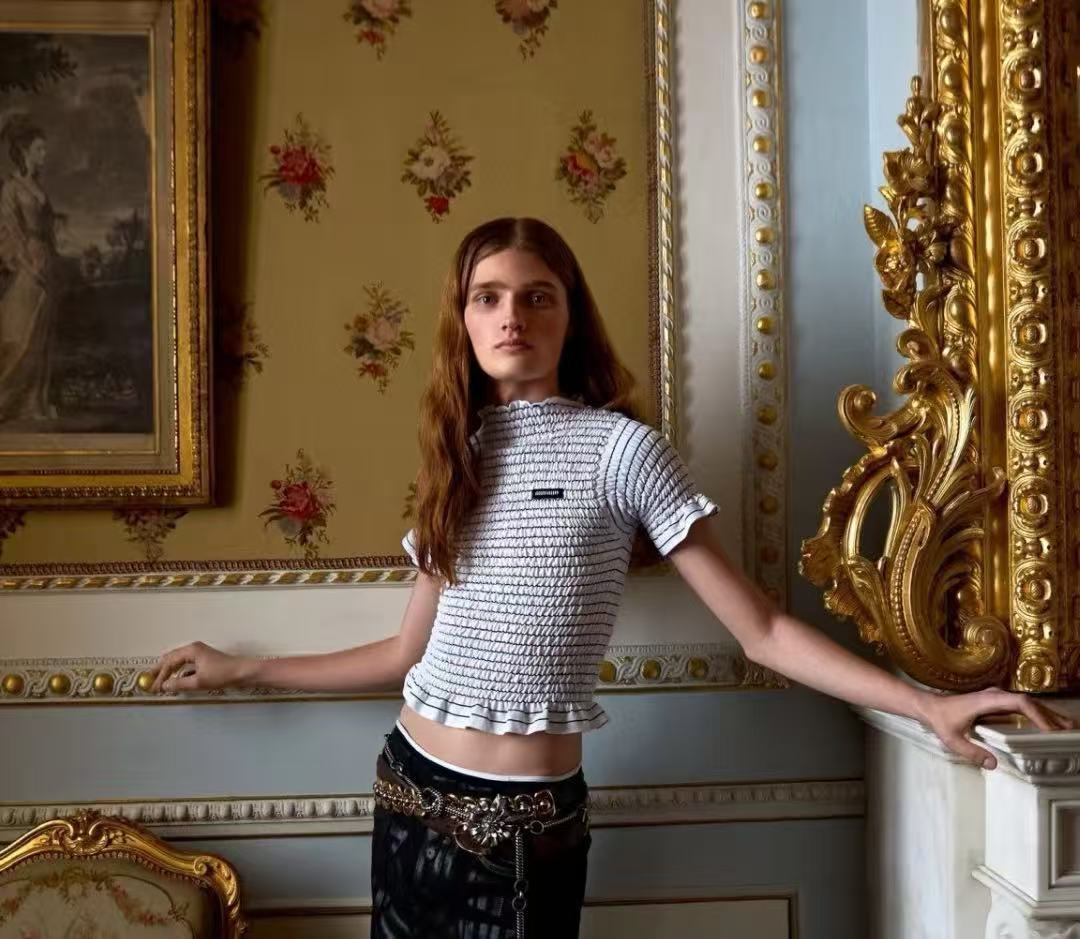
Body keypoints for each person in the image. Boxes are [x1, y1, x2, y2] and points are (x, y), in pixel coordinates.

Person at [150, 216, 1074, 938]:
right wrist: (244, 667)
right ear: (462, 320)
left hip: (524, 835)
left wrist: (926, 705)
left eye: (537, 295)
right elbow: (405, 653)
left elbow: (759, 631)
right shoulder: (456, 458)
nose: (512, 316)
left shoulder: (621, 451)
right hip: (404, 799)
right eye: (487, 297)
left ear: (570, 315)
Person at [0, 114, 61, 424]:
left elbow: (48, 229)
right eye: (39, 149)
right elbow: (11, 230)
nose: (44, 154)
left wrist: (53, 258)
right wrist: (27, 264)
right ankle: (6, 400)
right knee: (21, 332)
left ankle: (35, 401)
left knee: (42, 335)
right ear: (25, 151)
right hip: (28, 263)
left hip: (48, 260)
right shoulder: (11, 188)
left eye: (44, 149)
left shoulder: (39, 188)